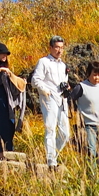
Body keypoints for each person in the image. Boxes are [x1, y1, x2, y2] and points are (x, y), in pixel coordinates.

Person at [31, 35, 70, 170]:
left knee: (65, 133)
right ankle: (50, 160)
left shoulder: (63, 65)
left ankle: (53, 156)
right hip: (49, 99)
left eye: (61, 48)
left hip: (62, 100)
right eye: (57, 47)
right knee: (50, 129)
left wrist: (67, 87)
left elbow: (63, 82)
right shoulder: (43, 62)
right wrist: (45, 90)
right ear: (51, 48)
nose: (59, 50)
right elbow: (35, 80)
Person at [0, 43, 25, 157]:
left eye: (5, 54)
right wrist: (1, 69)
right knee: (1, 122)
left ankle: (8, 146)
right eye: (2, 53)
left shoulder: (7, 67)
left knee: (10, 122)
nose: (4, 56)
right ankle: (0, 147)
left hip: (8, 97)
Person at [73, 62, 99, 165]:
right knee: (91, 151)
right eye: (94, 74)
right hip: (88, 125)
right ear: (89, 73)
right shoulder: (81, 87)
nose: (97, 77)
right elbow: (70, 100)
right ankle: (92, 176)